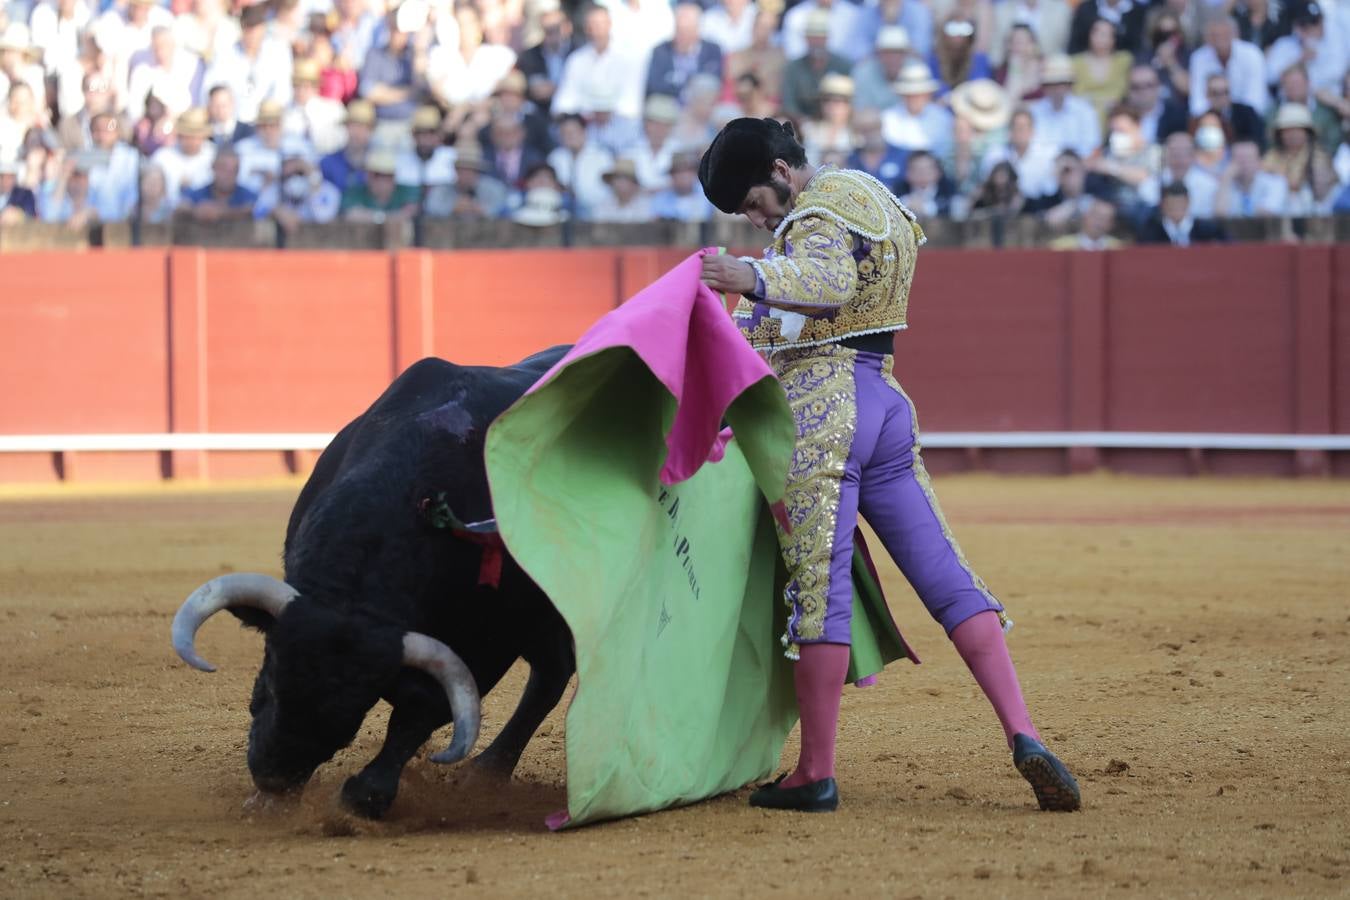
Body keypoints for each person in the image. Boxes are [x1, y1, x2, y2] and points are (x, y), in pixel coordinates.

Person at [696, 117, 1082, 814]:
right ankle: (1024, 732)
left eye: (754, 202)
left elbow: (828, 282)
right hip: (885, 402)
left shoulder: (816, 210)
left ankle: (815, 771)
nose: (757, 220)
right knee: (947, 575)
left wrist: (746, 276)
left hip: (824, 412)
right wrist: (734, 318)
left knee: (820, 589)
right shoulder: (870, 194)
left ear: (782, 171)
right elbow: (789, 323)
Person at [1136, 181, 1228, 244]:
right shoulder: (1150, 233)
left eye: (1180, 204)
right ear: (1163, 205)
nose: (1176, 209)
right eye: (1171, 205)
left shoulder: (1209, 230)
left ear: (1187, 203)